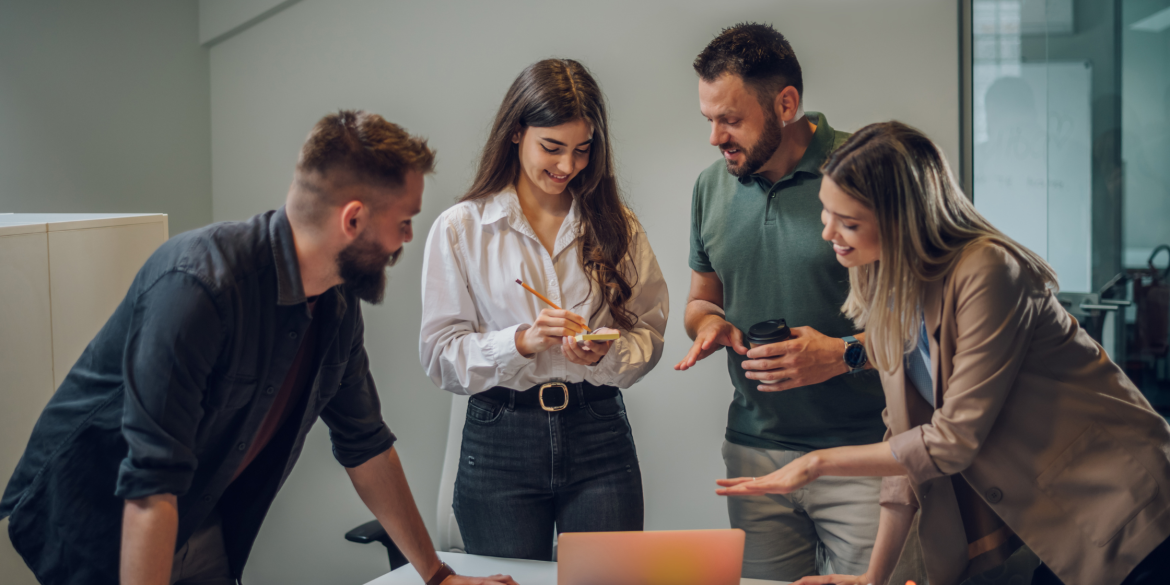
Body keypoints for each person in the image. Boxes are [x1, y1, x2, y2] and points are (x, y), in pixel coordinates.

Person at [0, 111, 517, 585]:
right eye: (404, 221)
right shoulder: (198, 285)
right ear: (353, 219)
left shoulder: (336, 306)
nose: (407, 238)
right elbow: (150, 486)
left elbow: (367, 444)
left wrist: (438, 577)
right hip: (100, 517)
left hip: (198, 513)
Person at [717, 121, 1170, 585]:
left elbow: (952, 441)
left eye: (849, 222)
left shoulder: (987, 270)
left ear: (901, 221)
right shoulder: (893, 291)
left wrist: (817, 464)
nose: (828, 232)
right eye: (826, 213)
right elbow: (904, 457)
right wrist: (873, 578)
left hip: (1129, 504)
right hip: (1066, 521)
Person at [419, 58, 668, 561]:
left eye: (582, 150)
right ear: (515, 133)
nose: (567, 166)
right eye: (551, 148)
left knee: (609, 580)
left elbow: (649, 332)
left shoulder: (618, 224)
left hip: (597, 429)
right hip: (499, 440)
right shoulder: (460, 228)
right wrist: (518, 342)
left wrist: (601, 355)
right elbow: (440, 358)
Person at [674, 22, 888, 580]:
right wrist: (709, 324)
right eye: (709, 120)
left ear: (786, 103)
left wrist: (842, 352)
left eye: (731, 119)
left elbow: (928, 327)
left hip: (865, 451)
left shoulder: (868, 171)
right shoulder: (709, 187)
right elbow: (701, 297)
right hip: (754, 454)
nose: (716, 137)